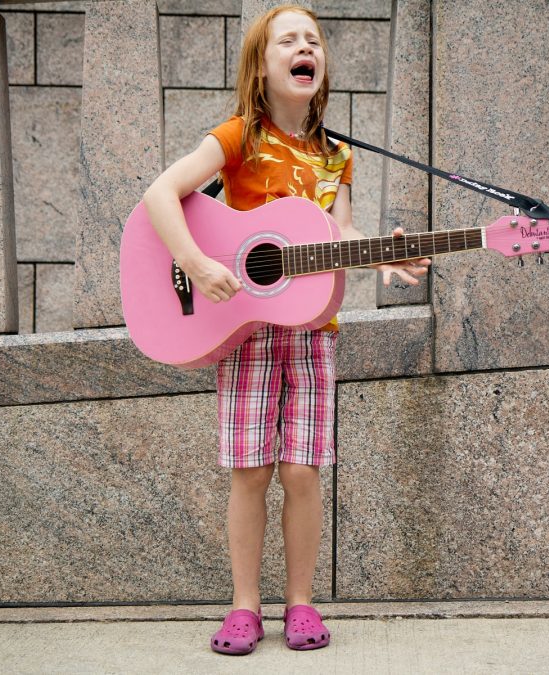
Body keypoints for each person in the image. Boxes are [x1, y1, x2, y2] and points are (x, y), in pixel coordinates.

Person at [142, 4, 430, 655]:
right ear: (262, 66)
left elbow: (341, 233)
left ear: (320, 64)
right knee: (251, 470)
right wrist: (195, 260)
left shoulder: (337, 155)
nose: (305, 46)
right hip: (244, 327)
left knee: (302, 472)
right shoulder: (239, 135)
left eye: (314, 39)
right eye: (288, 40)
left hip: (312, 330)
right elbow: (161, 193)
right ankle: (245, 606)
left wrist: (378, 252)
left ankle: (301, 602)